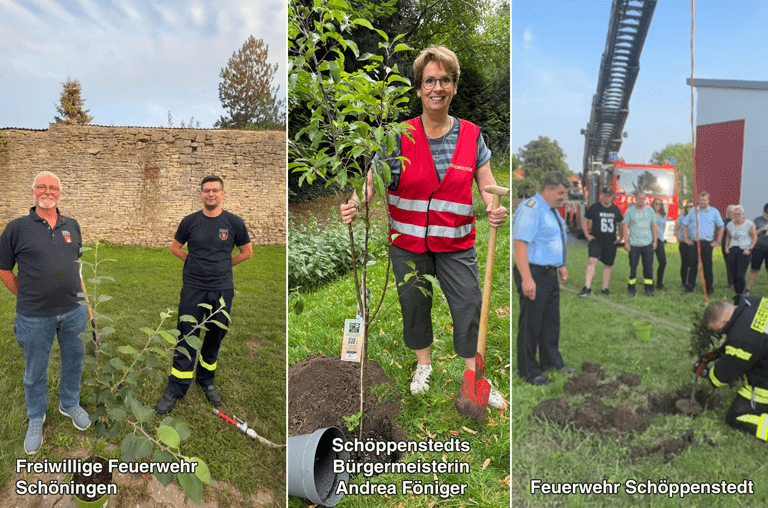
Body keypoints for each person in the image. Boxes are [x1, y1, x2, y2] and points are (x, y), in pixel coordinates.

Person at [340, 46, 507, 407]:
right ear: (418, 89)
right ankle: (424, 365)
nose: (437, 87)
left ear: (454, 87)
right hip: (408, 244)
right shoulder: (397, 137)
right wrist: (356, 203)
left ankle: (474, 375)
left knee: (469, 305)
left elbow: (487, 184)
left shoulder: (471, 136)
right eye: (429, 80)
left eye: (444, 80)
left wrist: (495, 207)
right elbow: (372, 182)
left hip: (456, 243)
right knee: (414, 304)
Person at [0, 172, 90, 454]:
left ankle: (69, 403)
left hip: (73, 312)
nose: (47, 191)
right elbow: (4, 271)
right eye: (42, 186)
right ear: (33, 192)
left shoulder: (72, 226)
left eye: (53, 188)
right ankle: (36, 416)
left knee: (74, 360)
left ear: (60, 194)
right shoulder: (16, 228)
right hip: (34, 316)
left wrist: (85, 304)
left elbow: (76, 267)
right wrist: (27, 295)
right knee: (35, 371)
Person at [155, 175, 253, 414]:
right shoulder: (190, 222)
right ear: (200, 194)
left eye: (215, 190)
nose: (211, 194)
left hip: (222, 289)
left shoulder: (234, 222)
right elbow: (174, 248)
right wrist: (193, 262)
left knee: (215, 336)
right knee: (187, 335)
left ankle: (206, 381)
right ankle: (176, 389)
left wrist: (224, 265)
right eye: (206, 190)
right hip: (193, 288)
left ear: (223, 193)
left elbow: (247, 252)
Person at [513, 171, 574, 386]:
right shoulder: (531, 209)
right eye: (560, 193)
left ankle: (552, 362)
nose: (563, 197)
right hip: (533, 272)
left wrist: (562, 265)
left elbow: (554, 239)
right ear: (547, 189)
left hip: (549, 273)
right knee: (531, 323)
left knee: (550, 322)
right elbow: (520, 245)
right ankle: (529, 371)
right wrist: (527, 279)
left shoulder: (552, 211)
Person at [696, 298, 768, 442]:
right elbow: (749, 339)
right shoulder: (755, 302)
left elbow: (723, 376)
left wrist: (705, 373)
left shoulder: (742, 338)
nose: (720, 333)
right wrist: (713, 355)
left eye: (717, 330)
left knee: (735, 416)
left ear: (723, 322)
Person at [579, 187, 623, 297]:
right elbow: (585, 220)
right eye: (605, 195)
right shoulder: (594, 208)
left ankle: (605, 288)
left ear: (612, 198)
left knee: (608, 265)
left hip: (610, 242)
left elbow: (621, 224)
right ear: (601, 196)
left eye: (609, 196)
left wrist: (620, 237)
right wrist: (587, 235)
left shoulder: (615, 210)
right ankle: (587, 287)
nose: (607, 198)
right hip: (596, 240)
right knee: (592, 261)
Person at [682, 191, 724, 295]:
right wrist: (686, 239)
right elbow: (685, 224)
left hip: (707, 244)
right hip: (694, 243)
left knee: (707, 266)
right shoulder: (693, 211)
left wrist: (718, 241)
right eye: (701, 200)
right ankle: (690, 286)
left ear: (708, 200)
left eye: (705, 200)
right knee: (692, 265)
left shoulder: (714, 212)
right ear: (698, 200)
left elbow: (721, 226)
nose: (703, 202)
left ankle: (709, 287)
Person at [622, 189, 657, 296]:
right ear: (635, 199)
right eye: (639, 198)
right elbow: (625, 227)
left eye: (643, 198)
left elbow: (654, 226)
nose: (641, 200)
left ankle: (649, 289)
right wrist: (626, 242)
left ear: (645, 199)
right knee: (633, 267)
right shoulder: (630, 211)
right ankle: (631, 288)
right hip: (634, 245)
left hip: (647, 244)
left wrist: (655, 241)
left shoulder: (650, 210)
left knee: (648, 268)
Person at [724, 205, 757, 302]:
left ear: (742, 214)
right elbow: (728, 237)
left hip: (744, 251)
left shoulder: (748, 224)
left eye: (739, 214)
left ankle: (741, 293)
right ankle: (736, 293)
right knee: (733, 273)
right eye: (735, 214)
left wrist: (750, 248)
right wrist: (727, 247)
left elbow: (754, 237)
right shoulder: (730, 224)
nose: (737, 216)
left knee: (740, 275)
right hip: (733, 250)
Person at [746, 202, 768, 295]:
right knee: (754, 270)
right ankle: (747, 290)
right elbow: (752, 234)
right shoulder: (757, 220)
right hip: (758, 248)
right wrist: (762, 229)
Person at [675, 201, 695, 289]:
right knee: (685, 263)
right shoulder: (682, 218)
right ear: (685, 208)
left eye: (691, 206)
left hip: (693, 243)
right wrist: (679, 239)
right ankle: (684, 282)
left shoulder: (696, 217)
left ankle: (691, 281)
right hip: (684, 243)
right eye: (687, 206)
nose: (689, 208)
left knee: (693, 263)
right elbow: (676, 230)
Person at [651, 198, 668, 291]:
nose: (657, 206)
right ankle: (649, 282)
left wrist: (660, 236)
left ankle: (659, 283)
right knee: (649, 262)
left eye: (659, 204)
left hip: (660, 239)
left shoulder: (662, 215)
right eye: (656, 204)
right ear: (653, 204)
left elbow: (664, 226)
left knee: (663, 262)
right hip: (650, 239)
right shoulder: (649, 213)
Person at [722, 205, 736, 289]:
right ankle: (731, 283)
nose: (730, 214)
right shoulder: (724, 222)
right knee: (729, 265)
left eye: (732, 212)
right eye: (728, 212)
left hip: (737, 247)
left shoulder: (740, 221)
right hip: (726, 247)